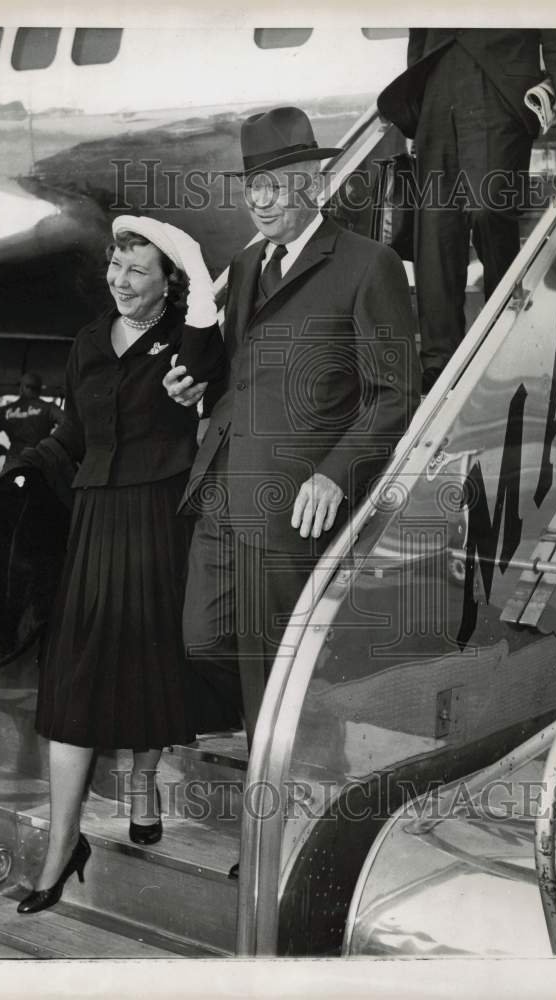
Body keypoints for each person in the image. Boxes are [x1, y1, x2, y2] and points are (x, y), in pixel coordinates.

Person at [165, 106, 420, 753]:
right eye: (253, 187)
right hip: (223, 491)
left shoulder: (368, 265)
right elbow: (234, 374)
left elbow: (394, 396)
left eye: (275, 186)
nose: (260, 201)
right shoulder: (249, 266)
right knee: (200, 637)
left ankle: (274, 826)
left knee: (271, 672)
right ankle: (296, 747)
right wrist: (197, 390)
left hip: (290, 507)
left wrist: (335, 474)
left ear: (311, 182)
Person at [14, 215, 227, 915]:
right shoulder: (86, 342)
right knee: (72, 677)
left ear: (168, 282)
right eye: (115, 265)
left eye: (139, 270)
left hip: (160, 515)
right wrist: (27, 470)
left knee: (149, 660)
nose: (121, 280)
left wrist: (193, 268)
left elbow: (203, 366)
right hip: (96, 518)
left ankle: (142, 783)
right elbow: (74, 431)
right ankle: (61, 848)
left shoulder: (186, 337)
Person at [377, 29, 556, 392]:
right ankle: (438, 363)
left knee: (489, 208)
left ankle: (506, 338)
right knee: (435, 227)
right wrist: (415, 100)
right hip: (436, 78)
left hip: (501, 77)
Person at [0, 372, 64, 473]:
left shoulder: (7, 411)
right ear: (39, 390)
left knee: (3, 487)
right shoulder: (49, 408)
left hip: (14, 461)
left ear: (22, 388)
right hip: (41, 460)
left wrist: (2, 451)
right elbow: (68, 426)